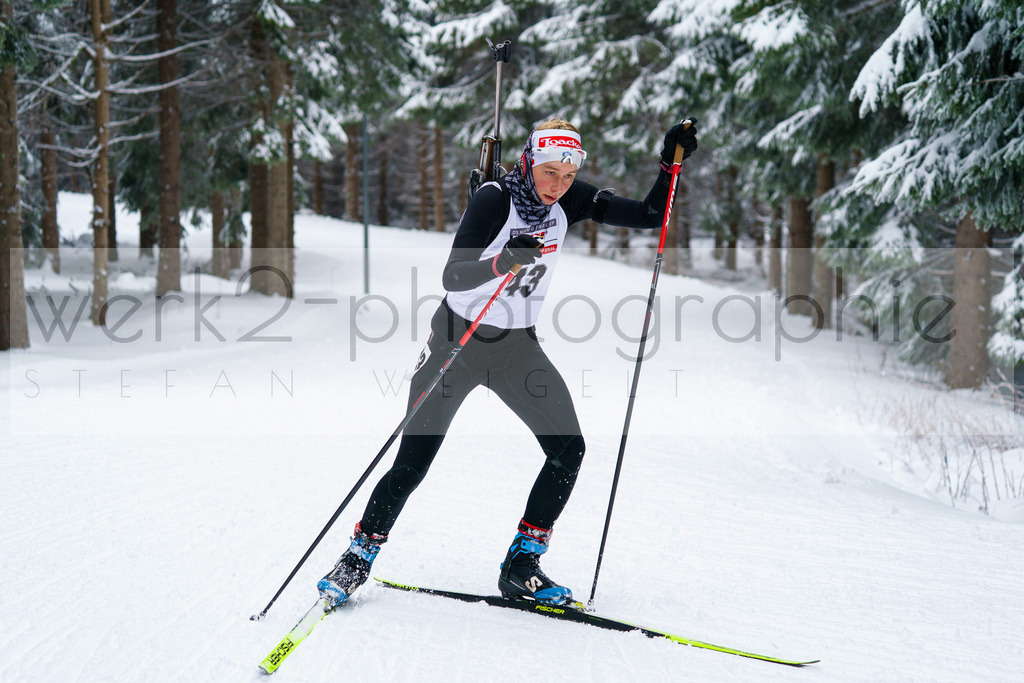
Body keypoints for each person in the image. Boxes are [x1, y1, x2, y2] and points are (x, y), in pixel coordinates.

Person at [318, 117, 698, 607]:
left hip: (517, 347)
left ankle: (522, 565)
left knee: (569, 449)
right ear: (530, 161)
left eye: (567, 175)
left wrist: (671, 164)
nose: (557, 186)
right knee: (413, 463)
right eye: (549, 173)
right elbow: (454, 276)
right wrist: (502, 261)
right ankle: (356, 557)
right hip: (457, 343)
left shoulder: (569, 199)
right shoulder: (494, 198)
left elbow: (650, 215)